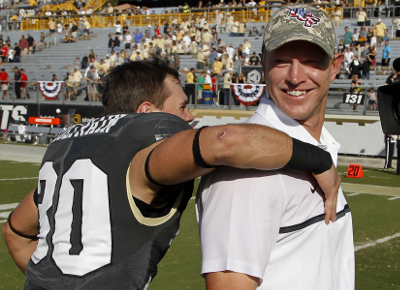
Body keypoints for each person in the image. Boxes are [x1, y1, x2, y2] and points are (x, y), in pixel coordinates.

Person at [2, 57, 340, 289]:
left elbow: (15, 233)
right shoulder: (139, 144)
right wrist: (321, 161)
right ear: (148, 112)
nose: (189, 115)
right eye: (181, 106)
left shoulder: (77, 143)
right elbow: (228, 140)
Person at [197, 4, 354, 290]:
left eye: (311, 61)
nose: (295, 76)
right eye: (281, 61)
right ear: (263, 62)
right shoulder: (244, 174)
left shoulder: (321, 146)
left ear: (335, 67)